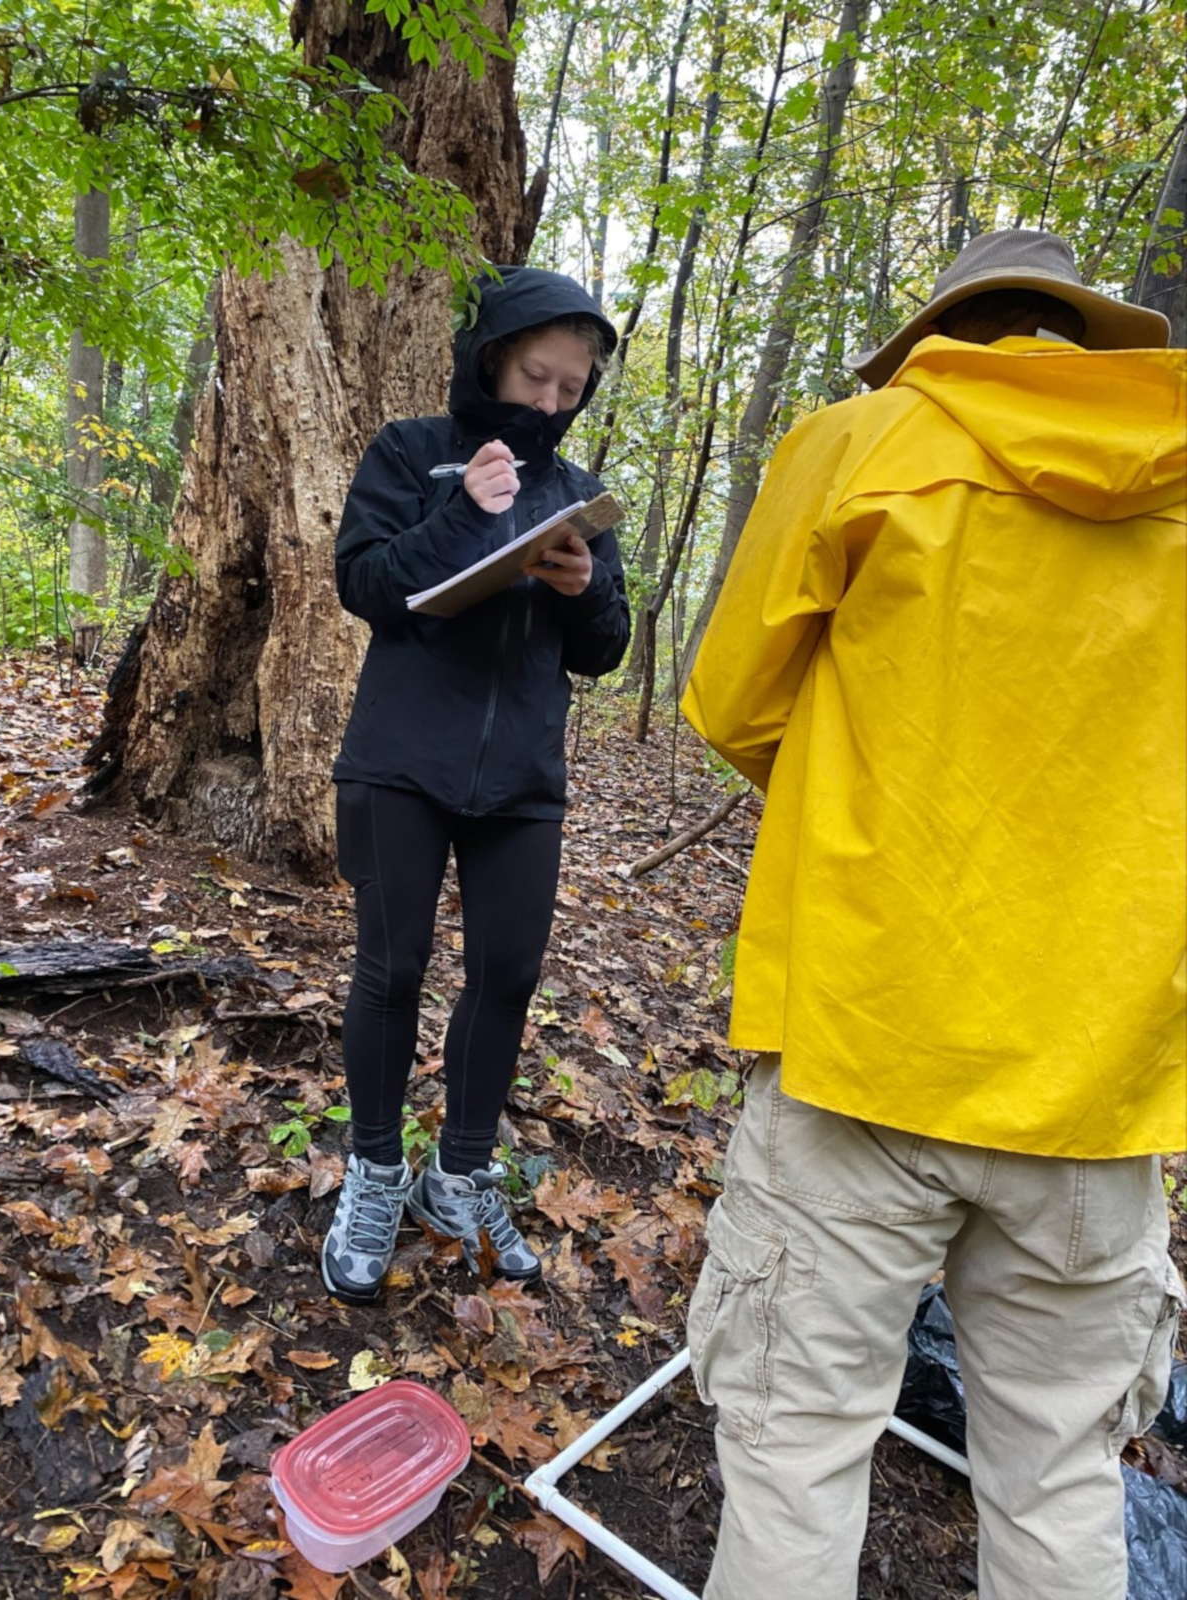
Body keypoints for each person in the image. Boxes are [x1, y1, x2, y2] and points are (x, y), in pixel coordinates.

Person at [682, 230, 1186, 1599]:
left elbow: (733, 702)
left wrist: (869, 782)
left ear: (940, 338)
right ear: (1084, 340)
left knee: (798, 1449)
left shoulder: (863, 442)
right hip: (1101, 1090)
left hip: (867, 1041)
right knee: (1063, 1473)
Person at [323, 266, 628, 1303]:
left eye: (568, 388)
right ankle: (372, 1170)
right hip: (402, 761)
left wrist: (584, 590)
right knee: (392, 967)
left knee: (506, 978)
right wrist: (461, 514)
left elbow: (605, 651)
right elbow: (365, 583)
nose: (547, 402)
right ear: (491, 356)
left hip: (523, 781)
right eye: (534, 375)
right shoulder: (409, 451)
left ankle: (456, 1176)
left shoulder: (578, 495)